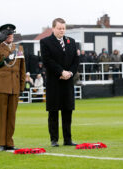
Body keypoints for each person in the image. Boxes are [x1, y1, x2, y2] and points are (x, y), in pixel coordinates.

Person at [0, 23, 26, 151]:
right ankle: (2, 143)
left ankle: (10, 142)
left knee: (12, 116)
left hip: (14, 86)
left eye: (11, 34)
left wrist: (22, 85)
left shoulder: (18, 48)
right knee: (2, 116)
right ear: (3, 35)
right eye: (7, 34)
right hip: (1, 85)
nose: (10, 36)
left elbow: (22, 68)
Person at [40, 18, 79, 147]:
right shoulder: (45, 42)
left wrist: (70, 73)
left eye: (63, 28)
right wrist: (61, 72)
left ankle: (68, 139)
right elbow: (47, 61)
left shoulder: (71, 42)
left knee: (68, 111)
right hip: (54, 82)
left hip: (68, 82)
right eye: (59, 28)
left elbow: (76, 61)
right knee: (53, 112)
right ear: (53, 28)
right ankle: (54, 140)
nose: (62, 30)